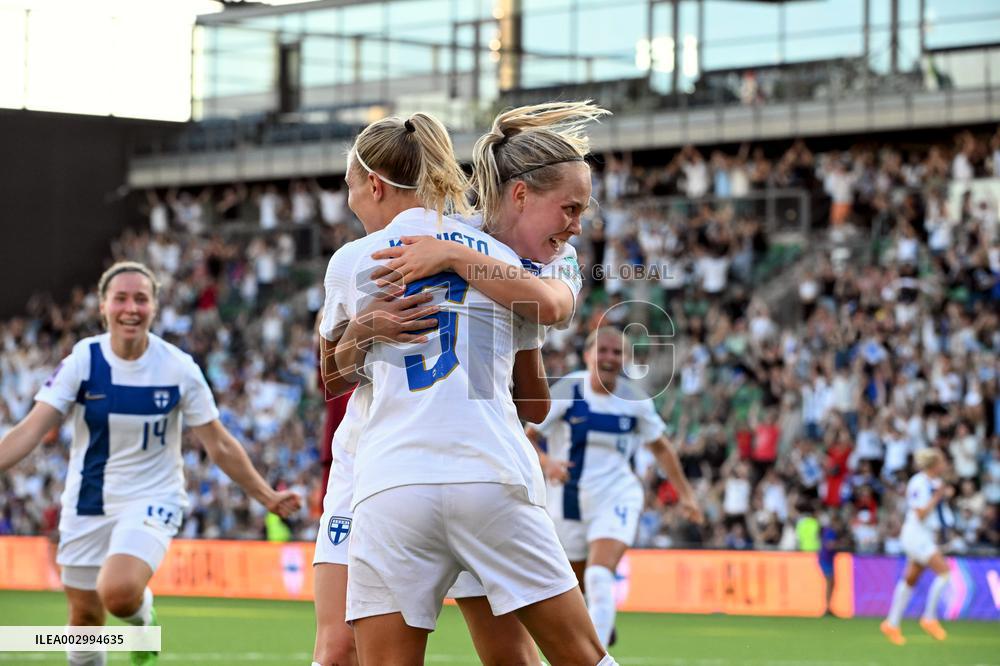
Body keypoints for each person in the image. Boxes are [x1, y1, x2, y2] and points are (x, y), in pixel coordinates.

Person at [322, 108, 616, 665]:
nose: (577, 225)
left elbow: (329, 375)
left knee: (347, 653)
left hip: (392, 481)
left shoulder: (360, 258)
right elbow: (534, 397)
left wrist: (451, 257)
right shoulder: (514, 265)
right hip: (487, 475)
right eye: (571, 208)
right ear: (522, 194)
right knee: (576, 656)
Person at [0, 261, 301, 666]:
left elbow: (219, 444)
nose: (131, 308)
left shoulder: (177, 368)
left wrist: (266, 495)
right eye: (120, 298)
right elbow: (31, 429)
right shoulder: (83, 361)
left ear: (155, 307)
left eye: (141, 299)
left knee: (119, 592)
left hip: (152, 497)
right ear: (103, 307)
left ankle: (142, 616)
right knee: (84, 622)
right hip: (87, 502)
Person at [525, 326, 703, 648]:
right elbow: (528, 437)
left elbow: (660, 447)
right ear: (587, 355)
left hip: (616, 494)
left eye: (617, 352)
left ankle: (598, 651)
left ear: (625, 359)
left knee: (598, 575)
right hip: (567, 501)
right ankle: (599, 623)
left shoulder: (634, 400)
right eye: (603, 351)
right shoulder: (569, 389)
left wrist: (687, 495)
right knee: (571, 588)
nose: (609, 358)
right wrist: (547, 463)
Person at [881, 448, 954, 645]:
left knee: (910, 580)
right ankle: (929, 618)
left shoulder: (935, 482)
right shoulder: (918, 482)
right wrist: (937, 497)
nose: (945, 464)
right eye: (942, 461)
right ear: (934, 464)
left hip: (926, 536)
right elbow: (920, 513)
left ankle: (891, 623)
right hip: (916, 535)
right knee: (945, 573)